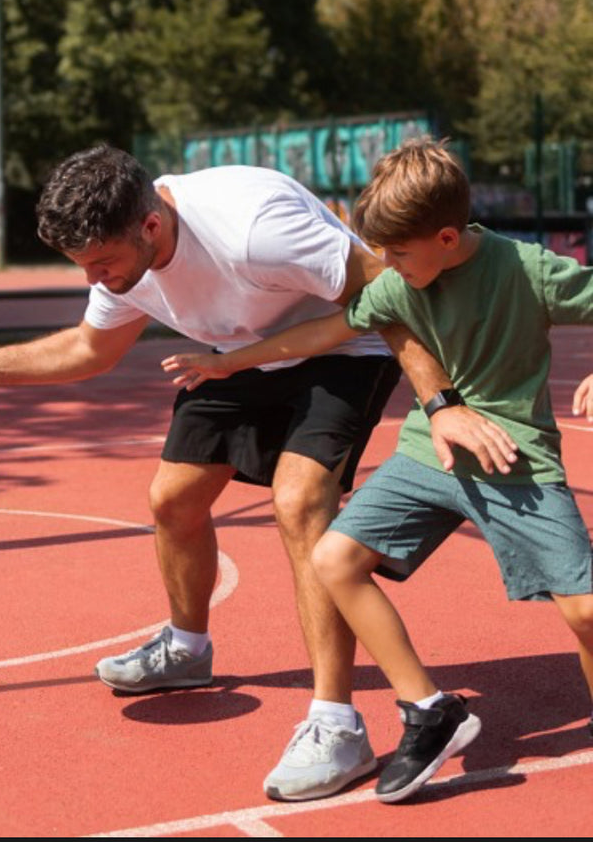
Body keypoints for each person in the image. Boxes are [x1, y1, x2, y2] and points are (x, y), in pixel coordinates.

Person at [0, 143, 514, 801]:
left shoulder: (255, 230)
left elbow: (387, 291)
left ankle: (336, 724)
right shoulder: (124, 257)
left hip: (344, 341)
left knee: (301, 498)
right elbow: (90, 347)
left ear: (151, 224)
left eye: (102, 264)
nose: (97, 281)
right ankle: (187, 648)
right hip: (240, 351)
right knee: (172, 499)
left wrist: (442, 402)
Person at [163, 138, 593, 803]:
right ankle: (428, 708)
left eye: (396, 253)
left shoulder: (528, 269)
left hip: (515, 460)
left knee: (587, 610)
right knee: (335, 558)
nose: (383, 267)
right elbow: (326, 331)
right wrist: (231, 361)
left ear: (448, 237)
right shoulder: (397, 280)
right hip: (429, 452)